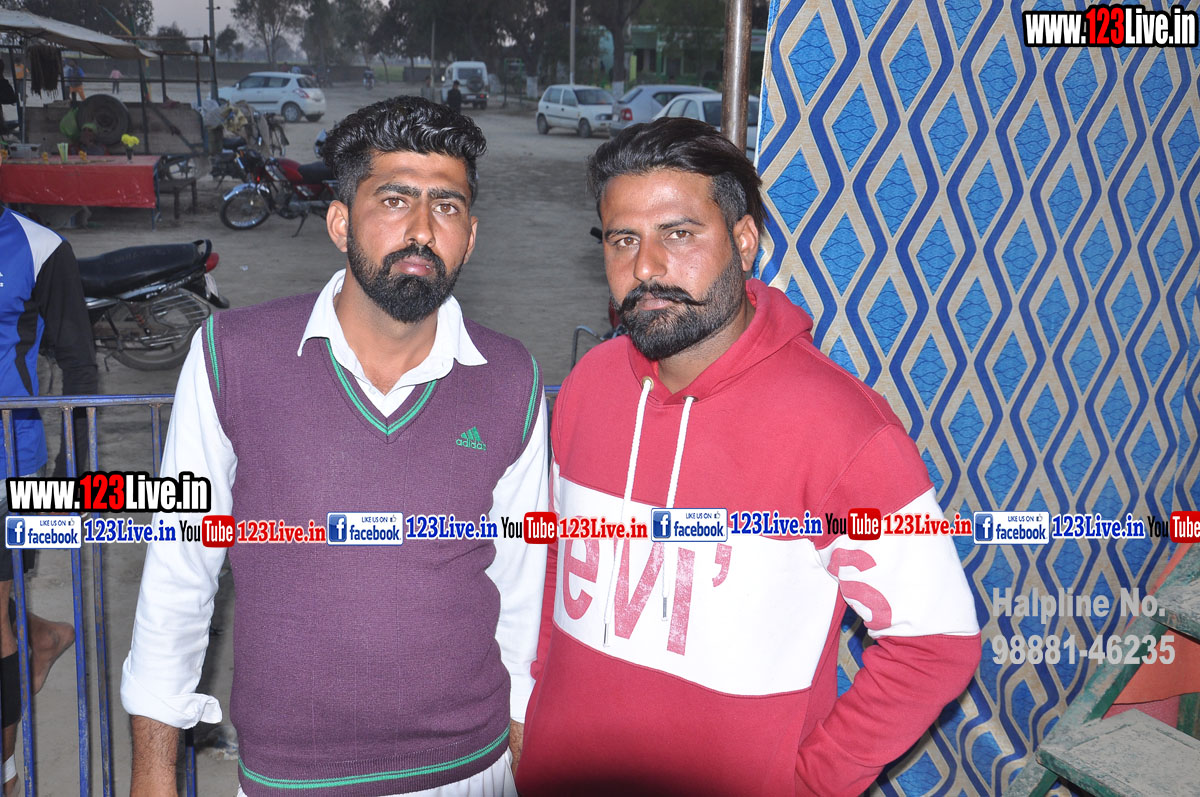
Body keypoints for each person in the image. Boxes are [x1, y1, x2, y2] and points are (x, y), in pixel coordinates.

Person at [515, 118, 982, 796]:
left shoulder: (844, 429)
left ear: (743, 240)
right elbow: (560, 559)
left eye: (679, 234)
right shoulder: (589, 384)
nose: (646, 267)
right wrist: (533, 713)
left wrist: (811, 784)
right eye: (623, 239)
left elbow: (935, 643)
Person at [121, 96, 548, 797]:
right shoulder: (233, 357)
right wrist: (152, 773)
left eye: (446, 206)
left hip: (472, 767)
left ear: (470, 236)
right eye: (395, 200)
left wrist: (526, 762)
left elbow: (524, 595)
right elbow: (179, 573)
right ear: (341, 221)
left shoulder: (509, 378)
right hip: (290, 775)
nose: (421, 229)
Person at [0, 205, 97, 795]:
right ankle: (41, 635)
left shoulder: (39, 247)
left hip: (8, 462)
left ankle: (5, 774)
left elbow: (78, 360)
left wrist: (75, 467)